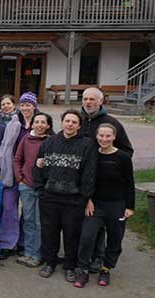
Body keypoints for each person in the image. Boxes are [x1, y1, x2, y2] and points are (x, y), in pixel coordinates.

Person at [34, 110, 97, 282]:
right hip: (49, 197)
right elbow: (38, 166)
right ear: (62, 123)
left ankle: (70, 265)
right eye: (67, 121)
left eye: (74, 122)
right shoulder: (49, 142)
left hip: (73, 199)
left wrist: (84, 197)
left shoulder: (87, 145)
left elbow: (89, 174)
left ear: (79, 125)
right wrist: (41, 189)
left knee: (72, 234)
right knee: (49, 232)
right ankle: (50, 262)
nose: (69, 124)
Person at [74, 123, 135, 288]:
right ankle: (83, 270)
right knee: (87, 237)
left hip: (117, 204)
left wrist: (130, 207)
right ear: (96, 136)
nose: (104, 139)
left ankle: (106, 269)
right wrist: (87, 199)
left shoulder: (123, 157)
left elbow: (129, 183)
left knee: (115, 239)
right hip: (95, 204)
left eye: (108, 136)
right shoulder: (92, 155)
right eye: (101, 135)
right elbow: (84, 179)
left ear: (114, 137)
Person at [0, 92, 39, 258]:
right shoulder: (14, 124)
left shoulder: (40, 123)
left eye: (28, 105)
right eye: (23, 105)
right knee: (8, 208)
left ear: (34, 106)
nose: (25, 108)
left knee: (28, 212)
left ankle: (23, 242)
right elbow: (5, 146)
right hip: (12, 174)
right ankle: (8, 243)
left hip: (30, 176)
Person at [13, 113, 54, 267]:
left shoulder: (52, 141)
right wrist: (20, 178)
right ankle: (28, 252)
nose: (39, 124)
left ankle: (37, 254)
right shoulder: (26, 139)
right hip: (26, 185)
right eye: (37, 122)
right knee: (28, 220)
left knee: (39, 222)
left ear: (48, 125)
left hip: (44, 187)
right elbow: (17, 159)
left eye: (43, 122)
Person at [80, 87, 133, 156]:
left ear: (101, 101)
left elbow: (127, 150)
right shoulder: (76, 121)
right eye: (85, 99)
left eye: (92, 99)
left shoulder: (112, 123)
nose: (88, 102)